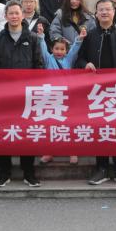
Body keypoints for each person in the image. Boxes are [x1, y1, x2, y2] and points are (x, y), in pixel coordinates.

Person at [78, 0, 116, 187]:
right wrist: (85, 64)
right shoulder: (90, 35)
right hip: (96, 91)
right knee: (100, 129)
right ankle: (101, 168)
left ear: (114, 12)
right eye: (101, 10)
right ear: (96, 13)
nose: (104, 12)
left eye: (107, 9)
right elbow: (80, 59)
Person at [0, 1, 45, 187]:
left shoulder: (33, 38)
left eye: (17, 13)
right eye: (10, 13)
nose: (14, 16)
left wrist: (34, 90)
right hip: (4, 96)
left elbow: (39, 65)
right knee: (4, 133)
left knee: (27, 133)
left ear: (22, 15)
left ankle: (29, 172)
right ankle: (4, 172)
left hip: (26, 95)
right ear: (5, 16)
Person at [34, 20, 86, 165]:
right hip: (50, 97)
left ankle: (72, 151)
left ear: (66, 51)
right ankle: (49, 152)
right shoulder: (48, 59)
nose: (59, 51)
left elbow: (75, 48)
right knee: (50, 125)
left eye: (62, 49)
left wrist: (80, 38)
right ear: (52, 49)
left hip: (67, 97)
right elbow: (42, 47)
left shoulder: (69, 59)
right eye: (56, 48)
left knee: (70, 125)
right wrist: (41, 36)